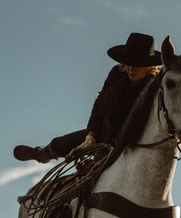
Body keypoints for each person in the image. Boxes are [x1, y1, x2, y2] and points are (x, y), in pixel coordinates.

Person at [13, 33, 162, 163]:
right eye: (128, 63)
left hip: (131, 139)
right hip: (104, 130)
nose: (131, 68)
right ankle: (41, 154)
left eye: (137, 64)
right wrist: (91, 136)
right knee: (60, 144)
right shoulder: (117, 74)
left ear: (149, 66)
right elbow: (101, 104)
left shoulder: (154, 87)